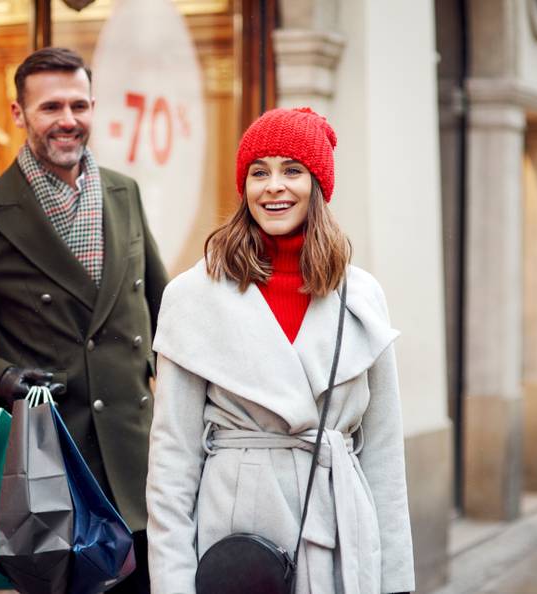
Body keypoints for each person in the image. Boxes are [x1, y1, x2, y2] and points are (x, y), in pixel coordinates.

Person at [0, 47, 167, 593]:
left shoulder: (125, 192)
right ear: (18, 113)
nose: (68, 120)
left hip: (139, 462)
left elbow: (161, 306)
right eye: (51, 107)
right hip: (55, 468)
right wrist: (1, 380)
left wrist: (149, 368)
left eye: (79, 105)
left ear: (94, 107)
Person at [145, 107, 415, 594]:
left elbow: (384, 457)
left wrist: (394, 579)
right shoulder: (194, 296)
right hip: (239, 537)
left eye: (292, 171)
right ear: (243, 186)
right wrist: (172, 584)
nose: (274, 187)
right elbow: (172, 464)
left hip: (339, 531)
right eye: (258, 172)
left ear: (318, 185)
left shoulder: (361, 295)